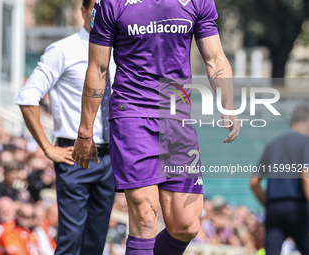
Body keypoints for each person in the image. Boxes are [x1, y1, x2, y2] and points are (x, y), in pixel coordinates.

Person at [73, 0, 240, 254]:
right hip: (132, 115)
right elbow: (98, 67)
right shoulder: (110, 3)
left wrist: (227, 104)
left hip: (177, 116)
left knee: (186, 225)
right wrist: (85, 131)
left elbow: (215, 58)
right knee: (145, 217)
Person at [16, 0, 116, 254]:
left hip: (110, 158)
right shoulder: (63, 50)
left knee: (96, 243)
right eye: (96, 7)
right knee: (71, 241)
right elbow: (28, 97)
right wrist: (48, 148)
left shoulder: (120, 50)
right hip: (74, 155)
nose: (102, 12)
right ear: (83, 11)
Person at [250, 105, 309, 255]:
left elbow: (254, 182)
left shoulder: (272, 144)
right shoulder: (305, 142)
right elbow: (306, 178)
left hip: (274, 208)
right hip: (298, 207)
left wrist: (267, 202)